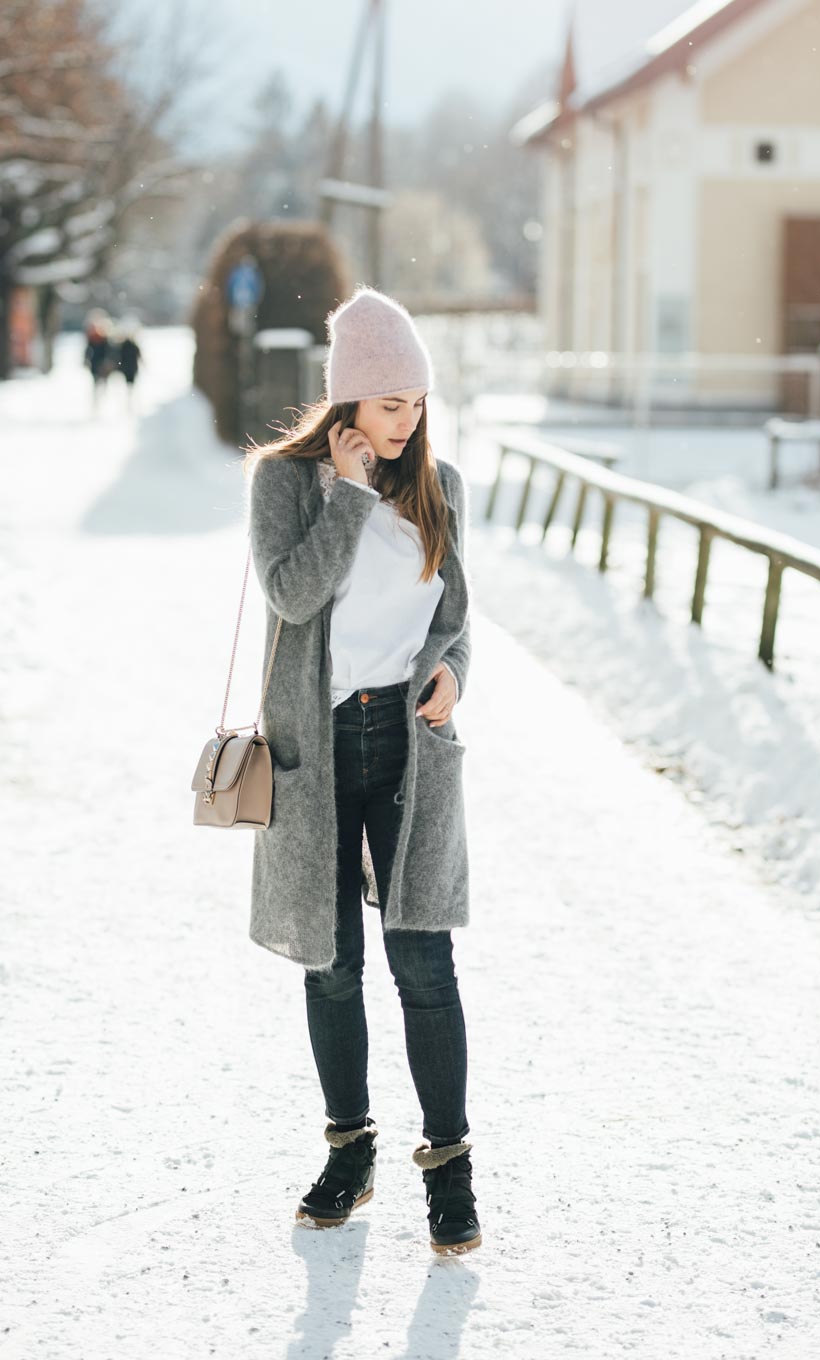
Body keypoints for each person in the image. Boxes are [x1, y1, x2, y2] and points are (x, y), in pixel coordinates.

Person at [242, 286, 480, 1255]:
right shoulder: (286, 481)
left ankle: (450, 1167)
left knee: (422, 958)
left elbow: (457, 613)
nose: (407, 421)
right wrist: (343, 496)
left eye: (417, 403)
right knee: (332, 964)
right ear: (346, 402)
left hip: (409, 744)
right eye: (390, 405)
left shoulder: (439, 483)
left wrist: (453, 672)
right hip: (316, 746)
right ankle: (350, 1151)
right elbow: (294, 598)